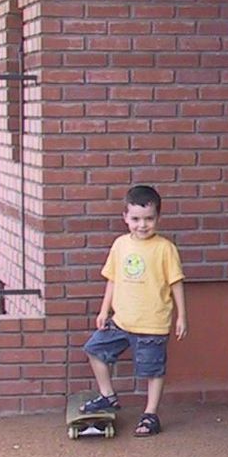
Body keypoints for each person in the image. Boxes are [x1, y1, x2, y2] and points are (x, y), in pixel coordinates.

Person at [78, 184, 187, 436]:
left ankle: (150, 414)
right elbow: (112, 279)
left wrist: (182, 316)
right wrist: (104, 311)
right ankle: (108, 396)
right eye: (136, 219)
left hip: (152, 323)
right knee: (94, 350)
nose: (142, 225)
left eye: (149, 219)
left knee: (153, 370)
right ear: (125, 218)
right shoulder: (120, 245)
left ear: (158, 218)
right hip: (121, 321)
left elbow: (176, 283)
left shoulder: (165, 248)